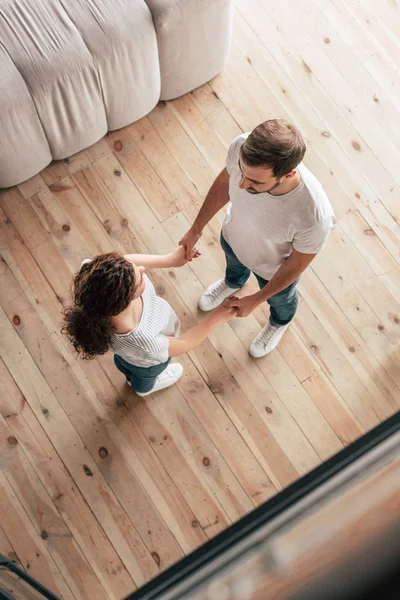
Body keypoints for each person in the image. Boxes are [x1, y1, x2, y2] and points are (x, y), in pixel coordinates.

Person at [179, 119, 334, 358]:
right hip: (233, 238)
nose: (242, 184)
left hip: (273, 271)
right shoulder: (242, 146)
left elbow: (296, 264)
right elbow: (225, 181)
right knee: (233, 266)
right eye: (242, 172)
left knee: (282, 302)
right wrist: (196, 229)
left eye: (255, 182)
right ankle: (233, 282)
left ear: (289, 173)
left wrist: (257, 299)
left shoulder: (313, 215)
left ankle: (279, 322)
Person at [62, 247, 237, 396]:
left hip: (127, 354)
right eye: (139, 278)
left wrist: (169, 260)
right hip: (146, 366)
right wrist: (215, 319)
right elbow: (184, 342)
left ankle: (131, 377)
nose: (142, 269)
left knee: (123, 363)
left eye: (135, 269)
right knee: (142, 378)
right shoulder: (144, 340)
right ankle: (143, 389)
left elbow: (125, 261)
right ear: (127, 300)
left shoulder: (93, 278)